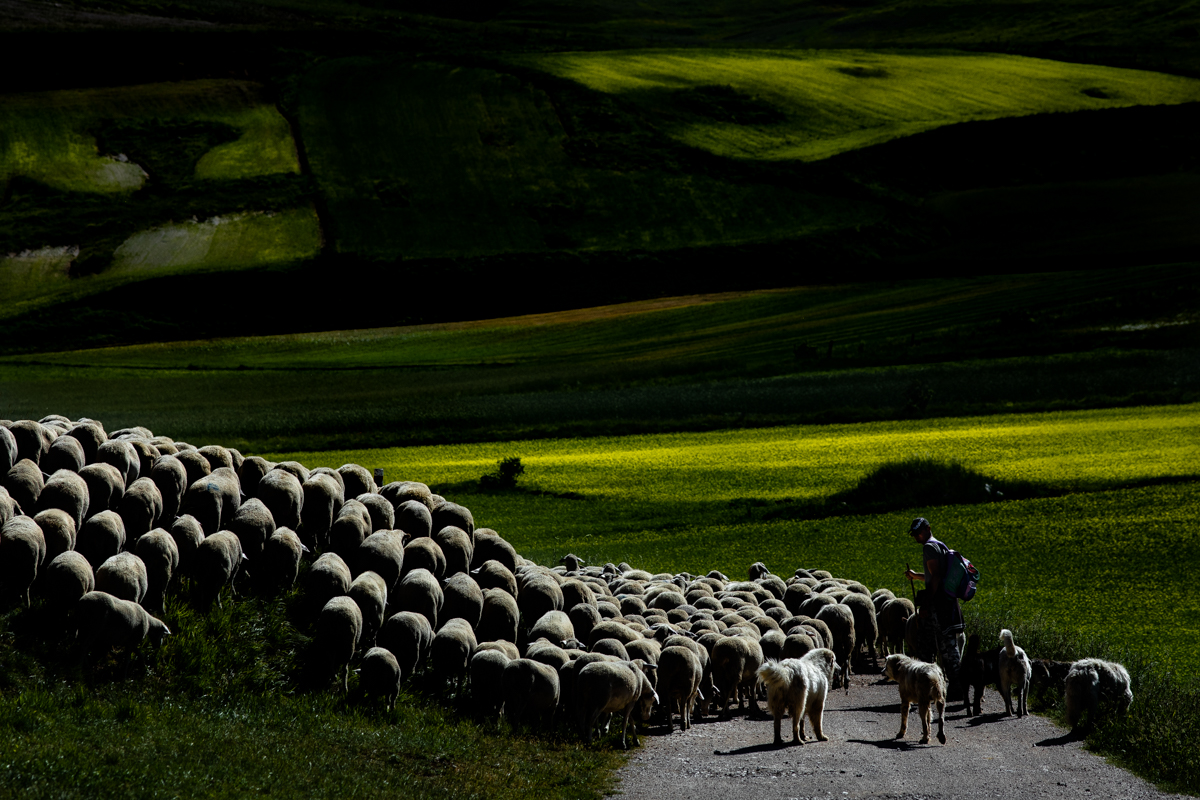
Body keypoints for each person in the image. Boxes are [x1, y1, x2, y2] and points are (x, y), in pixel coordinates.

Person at [903, 517, 963, 696]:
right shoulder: (940, 546)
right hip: (947, 601)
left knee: (937, 646)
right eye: (914, 534)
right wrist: (916, 576)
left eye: (918, 532)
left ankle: (932, 685)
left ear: (928, 528)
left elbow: (936, 576)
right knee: (947, 645)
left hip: (938, 605)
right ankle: (954, 686)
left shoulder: (929, 547)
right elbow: (935, 575)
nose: (916, 536)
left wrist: (927, 604)